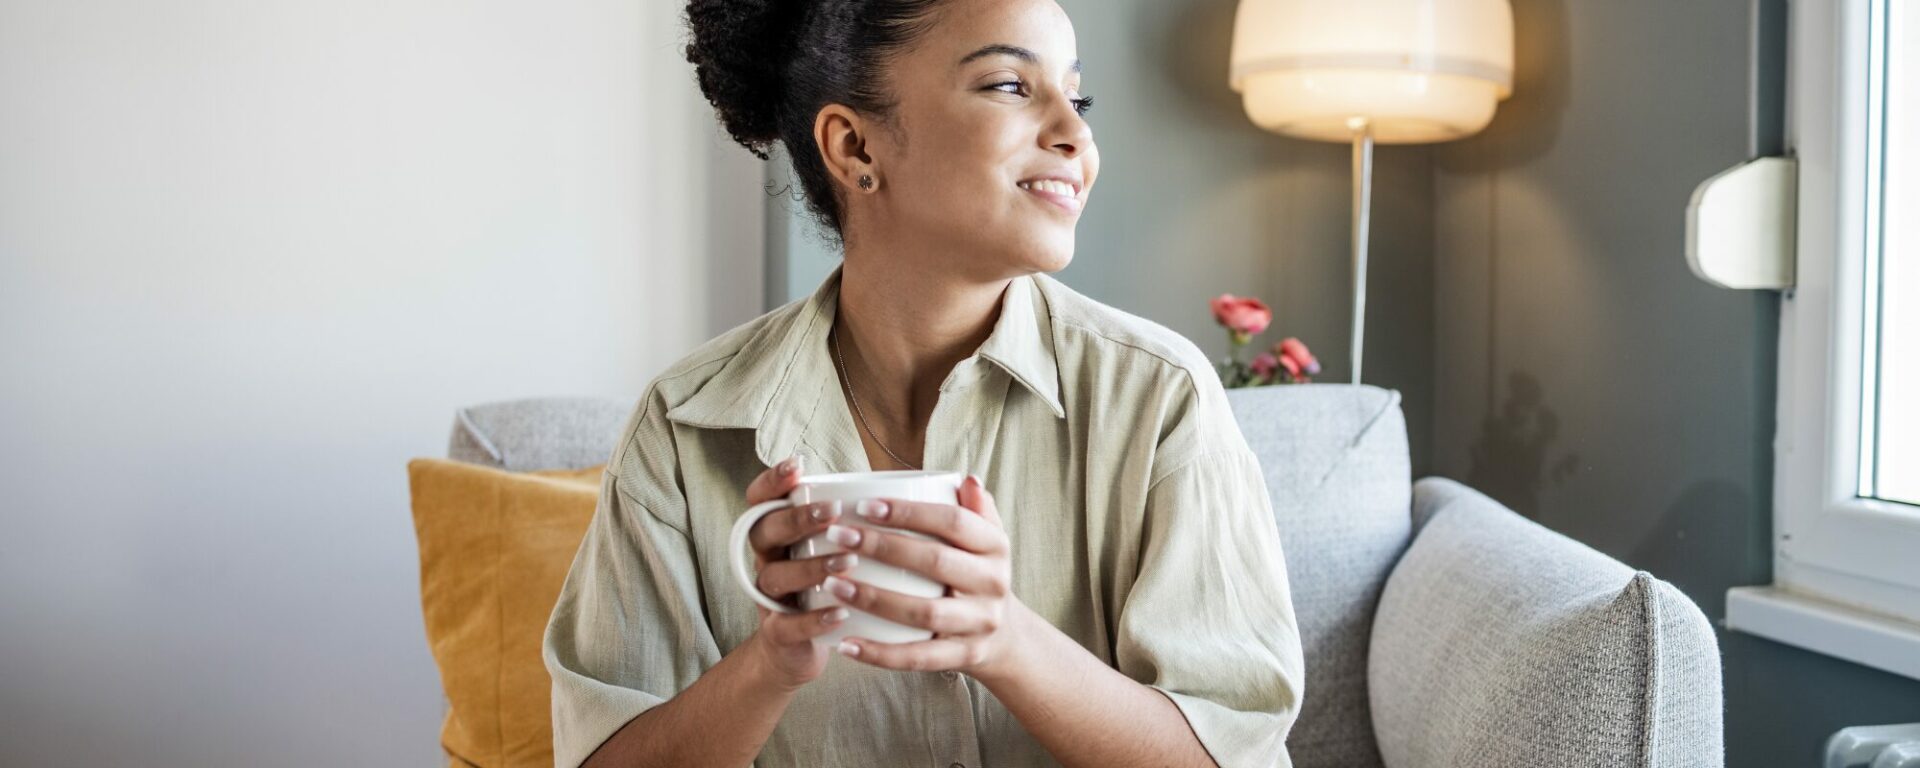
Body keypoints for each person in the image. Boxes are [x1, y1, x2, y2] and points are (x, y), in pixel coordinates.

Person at [540, 0, 1304, 765]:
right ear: (853, 145)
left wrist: (1006, 639)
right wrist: (772, 663)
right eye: (1010, 85)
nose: (1075, 134)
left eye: (1077, 98)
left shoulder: (1161, 400)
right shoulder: (683, 427)